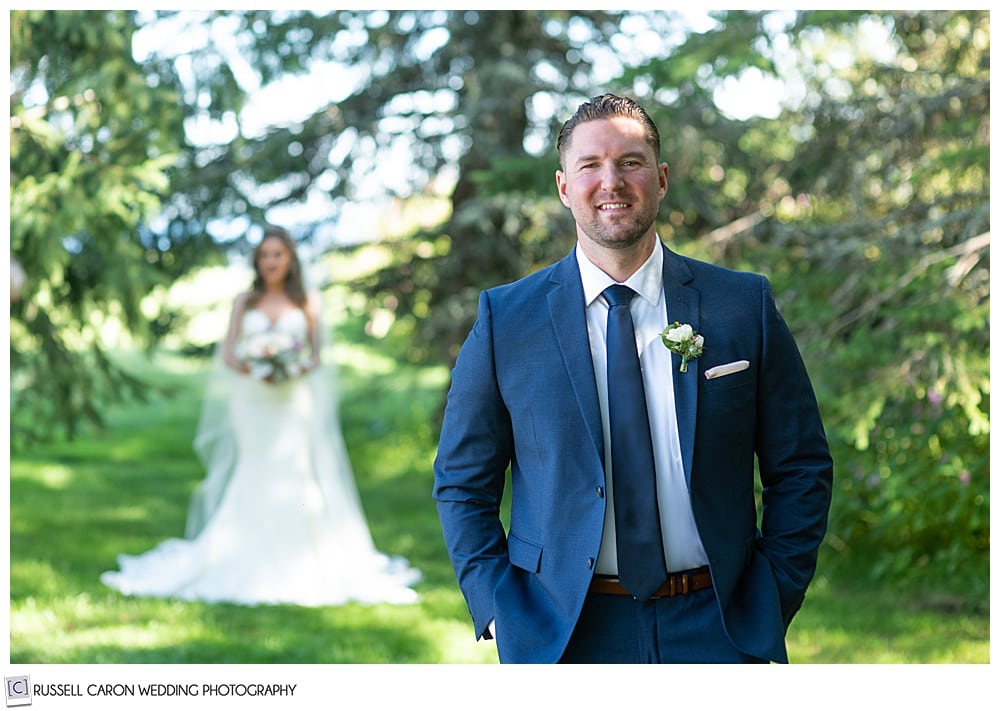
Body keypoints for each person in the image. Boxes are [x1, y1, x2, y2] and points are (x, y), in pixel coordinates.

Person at [433, 94, 833, 663]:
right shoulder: (507, 321)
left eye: (631, 162)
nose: (611, 182)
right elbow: (461, 481)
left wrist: (774, 590)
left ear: (661, 178)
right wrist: (499, 609)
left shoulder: (742, 306)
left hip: (717, 624)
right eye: (589, 166)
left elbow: (801, 465)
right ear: (564, 187)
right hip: (564, 631)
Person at [102, 225, 421, 607]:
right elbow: (229, 353)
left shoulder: (307, 301)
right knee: (254, 469)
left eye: (278, 255)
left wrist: (288, 368)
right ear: (257, 260)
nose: (271, 262)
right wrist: (256, 368)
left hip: (292, 401)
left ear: (290, 259)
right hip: (252, 401)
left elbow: (316, 355)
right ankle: (236, 554)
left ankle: (302, 558)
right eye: (265, 255)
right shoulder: (245, 301)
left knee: (296, 471)